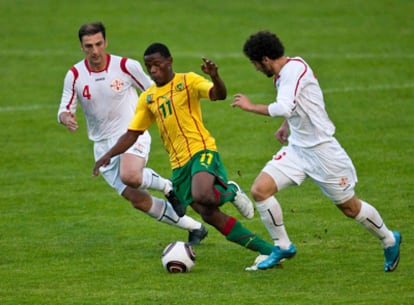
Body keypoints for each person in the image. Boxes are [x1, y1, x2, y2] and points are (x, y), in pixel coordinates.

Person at [93, 42, 275, 269]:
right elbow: (132, 134)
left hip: (201, 150)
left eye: (157, 64)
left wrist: (215, 77)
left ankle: (230, 191)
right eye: (149, 66)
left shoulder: (188, 81)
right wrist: (108, 156)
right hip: (178, 166)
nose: (153, 70)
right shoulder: (148, 98)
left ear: (170, 61)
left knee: (203, 194)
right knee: (208, 214)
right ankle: (268, 251)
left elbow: (219, 95)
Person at [231, 30, 401, 272]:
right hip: (298, 150)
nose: (256, 69)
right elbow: (299, 104)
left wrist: (250, 107)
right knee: (260, 190)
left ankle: (389, 239)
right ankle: (283, 245)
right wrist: (286, 126)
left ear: (266, 59)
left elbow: (282, 107)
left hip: (323, 152)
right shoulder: (284, 74)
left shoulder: (293, 71)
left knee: (350, 208)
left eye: (256, 64)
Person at [57, 22, 207, 246]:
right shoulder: (75, 75)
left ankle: (168, 187)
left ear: (105, 42)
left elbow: (157, 90)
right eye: (89, 46)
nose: (95, 51)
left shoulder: (126, 66)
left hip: (131, 134)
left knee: (131, 176)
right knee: (137, 200)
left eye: (99, 44)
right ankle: (194, 227)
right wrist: (66, 117)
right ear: (82, 47)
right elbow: (64, 107)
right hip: (102, 145)